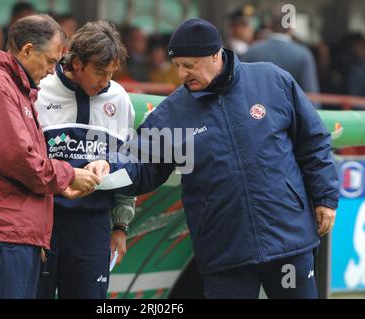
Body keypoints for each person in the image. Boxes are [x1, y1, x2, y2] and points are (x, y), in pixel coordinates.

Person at [89, 18, 339, 299]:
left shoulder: (272, 80)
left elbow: (313, 140)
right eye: (177, 66)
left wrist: (325, 197)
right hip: (225, 252)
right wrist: (108, 167)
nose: (182, 74)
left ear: (215, 54)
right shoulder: (172, 114)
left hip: (288, 242)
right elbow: (142, 166)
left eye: (189, 65)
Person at [0, 14, 102, 299]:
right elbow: (18, 159)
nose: (52, 71)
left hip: (14, 230)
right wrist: (69, 175)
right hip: (2, 230)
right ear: (27, 50)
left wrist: (61, 184)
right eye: (49, 61)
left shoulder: (14, 88)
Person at [35, 20, 136, 299]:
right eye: (100, 72)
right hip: (44, 220)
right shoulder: (40, 91)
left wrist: (120, 226)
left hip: (93, 225)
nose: (106, 82)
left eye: (112, 73)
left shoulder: (119, 99)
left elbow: (127, 166)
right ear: (76, 62)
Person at [243, 6, 320, 95]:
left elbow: (242, 87)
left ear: (269, 25)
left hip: (257, 108)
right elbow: (311, 95)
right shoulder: (303, 54)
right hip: (291, 108)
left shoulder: (252, 51)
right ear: (291, 27)